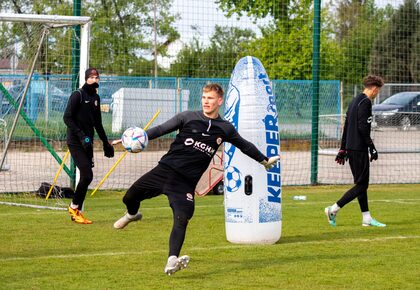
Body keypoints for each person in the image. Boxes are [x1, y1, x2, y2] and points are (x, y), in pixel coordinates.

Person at [113, 83, 280, 275]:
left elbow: (244, 145)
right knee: (129, 198)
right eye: (203, 98)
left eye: (210, 98)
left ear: (219, 101)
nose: (206, 102)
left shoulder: (225, 128)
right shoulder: (188, 117)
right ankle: (132, 215)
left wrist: (264, 161)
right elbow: (160, 129)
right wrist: (137, 137)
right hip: (163, 171)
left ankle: (172, 259)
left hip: (185, 183)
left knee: (182, 218)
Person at [325, 75, 386, 228]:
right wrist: (372, 147)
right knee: (361, 185)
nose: (377, 94)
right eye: (377, 91)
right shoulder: (365, 102)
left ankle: (366, 218)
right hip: (359, 149)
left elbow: (346, 126)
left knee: (361, 183)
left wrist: (343, 148)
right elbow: (363, 128)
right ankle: (333, 209)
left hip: (351, 149)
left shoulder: (354, 101)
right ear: (374, 88)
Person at [63, 68, 114, 224]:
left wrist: (106, 143)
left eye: (97, 77)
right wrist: (81, 135)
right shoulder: (77, 94)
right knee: (87, 175)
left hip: (88, 143)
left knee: (87, 176)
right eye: (91, 77)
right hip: (76, 142)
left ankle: (75, 210)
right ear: (86, 79)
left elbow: (97, 123)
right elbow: (67, 117)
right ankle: (74, 208)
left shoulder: (96, 97)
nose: (94, 79)